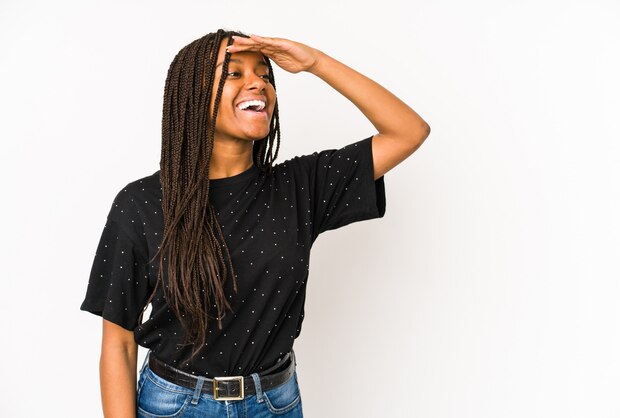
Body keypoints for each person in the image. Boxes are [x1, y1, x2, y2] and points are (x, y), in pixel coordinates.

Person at [80, 28, 430, 418]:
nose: (257, 84)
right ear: (192, 96)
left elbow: (409, 132)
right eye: (234, 73)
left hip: (274, 403)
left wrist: (315, 62)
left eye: (264, 74)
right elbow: (118, 343)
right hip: (174, 406)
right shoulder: (142, 203)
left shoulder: (301, 187)